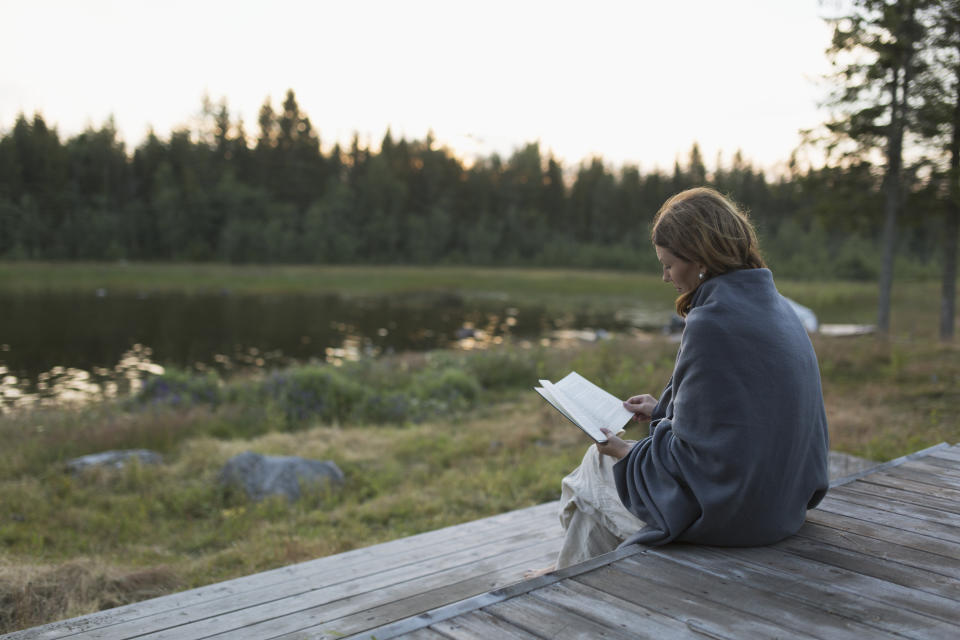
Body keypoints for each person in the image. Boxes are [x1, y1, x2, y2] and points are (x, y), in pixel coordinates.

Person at [553, 186, 830, 569]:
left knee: (592, 470)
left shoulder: (712, 323)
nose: (665, 277)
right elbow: (734, 421)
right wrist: (663, 410)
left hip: (739, 515)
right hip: (782, 502)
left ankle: (569, 581)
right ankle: (569, 572)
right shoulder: (778, 307)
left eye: (668, 264)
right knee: (599, 476)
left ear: (699, 259)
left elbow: (697, 460)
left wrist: (621, 450)